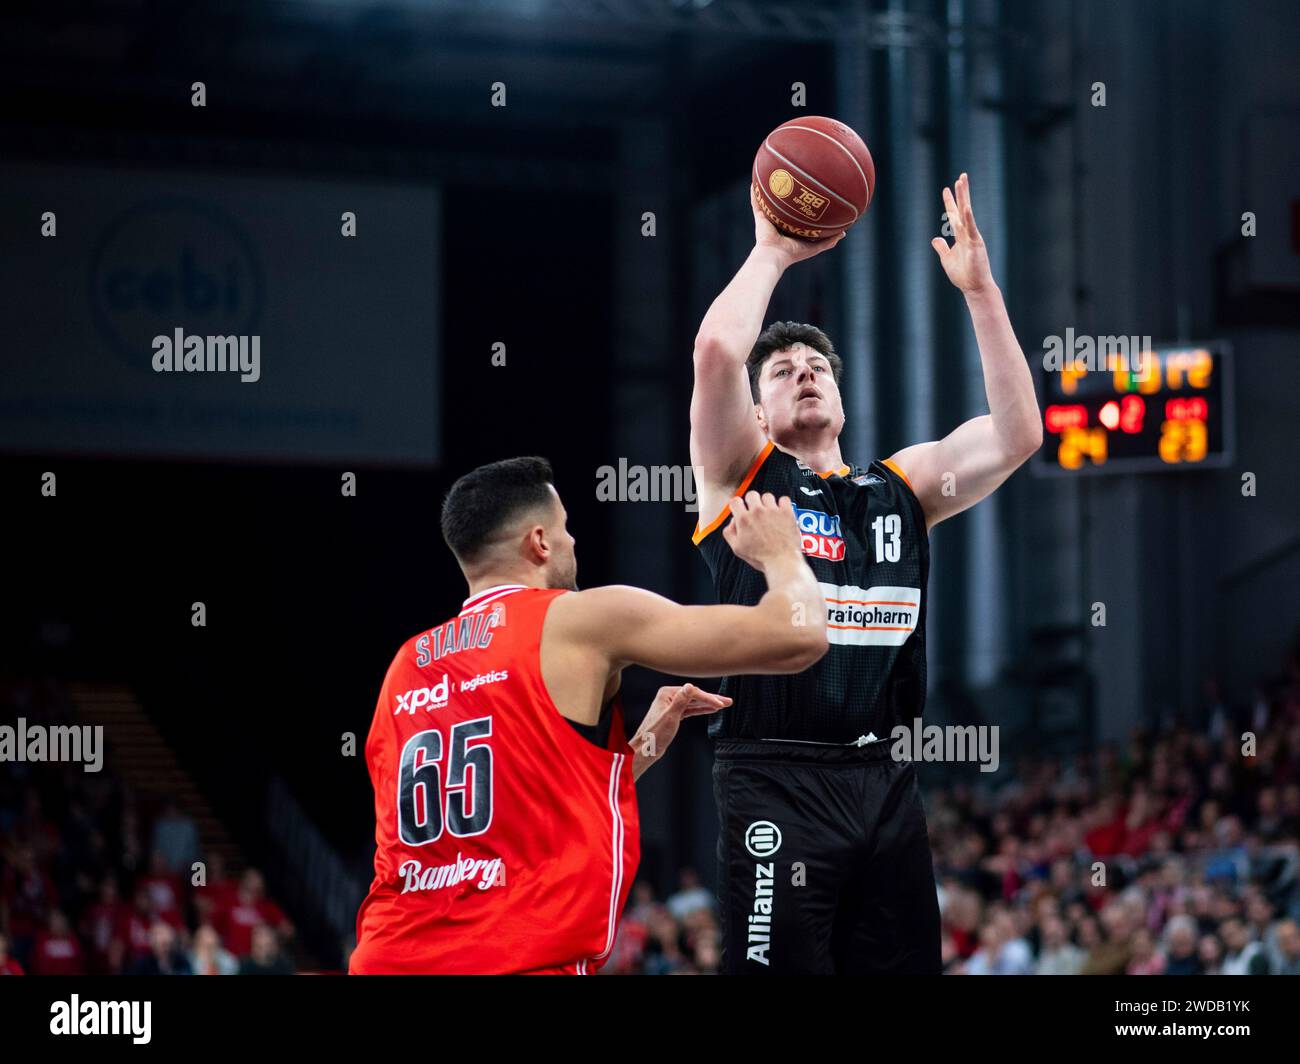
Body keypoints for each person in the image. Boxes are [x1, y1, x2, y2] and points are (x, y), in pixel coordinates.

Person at [689, 174, 1040, 973]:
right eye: (780, 371)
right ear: (755, 411)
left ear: (842, 394)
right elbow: (716, 351)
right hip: (773, 774)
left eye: (816, 364)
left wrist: (982, 293)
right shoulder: (740, 474)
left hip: (882, 777)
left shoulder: (901, 485)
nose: (803, 371)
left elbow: (1020, 434)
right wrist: (772, 250)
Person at [350, 456, 827, 975]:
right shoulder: (578, 619)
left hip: (389, 955)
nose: (574, 542)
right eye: (566, 529)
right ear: (540, 542)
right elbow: (796, 637)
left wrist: (636, 751)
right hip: (516, 960)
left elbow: (490, 809)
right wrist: (783, 554)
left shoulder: (407, 664)